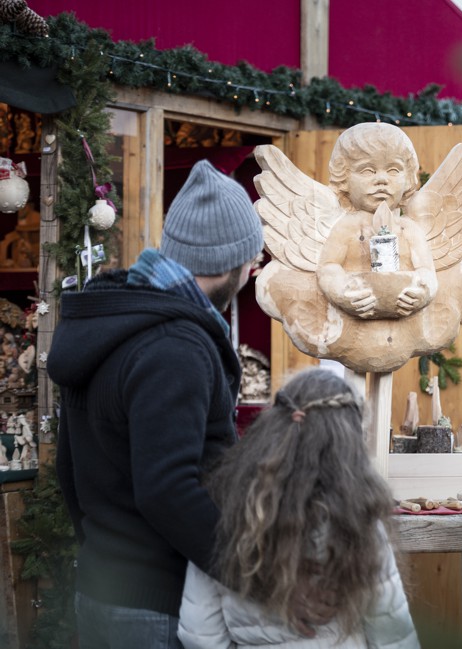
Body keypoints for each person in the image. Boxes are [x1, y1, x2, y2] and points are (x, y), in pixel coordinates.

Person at [49, 159, 264, 649]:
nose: (254, 269)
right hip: (155, 604)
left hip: (104, 588)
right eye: (254, 258)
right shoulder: (176, 346)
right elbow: (167, 489)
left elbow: (68, 467)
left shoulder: (118, 319)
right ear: (232, 260)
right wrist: (254, 574)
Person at [178, 367, 419, 649]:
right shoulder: (359, 525)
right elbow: (394, 636)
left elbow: (200, 635)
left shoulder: (223, 515)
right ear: (350, 442)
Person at [316, 122, 437, 319]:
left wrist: (423, 292)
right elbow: (328, 267)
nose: (382, 180)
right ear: (344, 178)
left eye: (393, 170)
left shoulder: (409, 229)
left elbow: (427, 271)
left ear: (408, 178)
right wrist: (341, 293)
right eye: (367, 171)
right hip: (355, 325)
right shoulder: (346, 227)